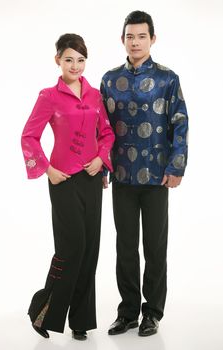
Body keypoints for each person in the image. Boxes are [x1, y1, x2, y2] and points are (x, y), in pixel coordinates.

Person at [21, 33, 115, 341]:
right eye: (69, 59)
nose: (75, 65)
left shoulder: (94, 96)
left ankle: (81, 321)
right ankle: (42, 311)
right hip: (62, 181)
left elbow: (107, 135)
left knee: (89, 250)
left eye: (81, 60)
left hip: (91, 181)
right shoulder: (49, 96)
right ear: (58, 60)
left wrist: (102, 159)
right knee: (71, 247)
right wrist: (47, 170)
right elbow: (29, 136)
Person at [101, 10, 188, 337]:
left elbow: (180, 123)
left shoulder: (168, 79)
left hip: (156, 177)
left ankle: (152, 312)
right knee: (125, 246)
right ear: (122, 39)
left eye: (141, 36)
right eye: (130, 36)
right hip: (122, 175)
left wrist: (176, 165)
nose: (135, 42)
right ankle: (127, 312)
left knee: (154, 247)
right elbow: (102, 129)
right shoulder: (110, 80)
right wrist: (102, 166)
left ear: (152, 39)